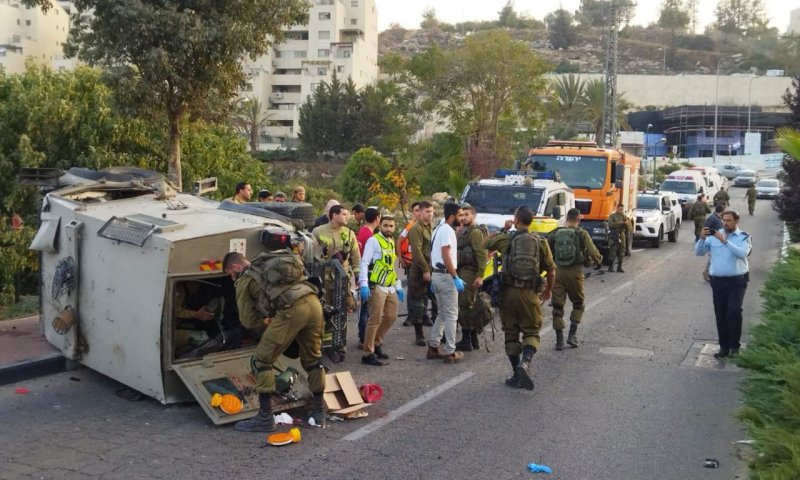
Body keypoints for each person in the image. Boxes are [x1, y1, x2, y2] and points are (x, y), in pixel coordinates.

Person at [222, 251, 326, 432]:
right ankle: (318, 412)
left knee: (262, 360)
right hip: (313, 303)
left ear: (236, 267)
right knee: (313, 359)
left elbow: (247, 320)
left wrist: (265, 323)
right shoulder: (267, 265)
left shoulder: (245, 280)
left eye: (230, 273)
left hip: (292, 310)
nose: (231, 278)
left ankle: (265, 417)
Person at [486, 206, 556, 390]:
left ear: (516, 220)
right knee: (531, 332)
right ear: (531, 221)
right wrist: (548, 290)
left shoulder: (506, 239)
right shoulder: (540, 242)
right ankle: (525, 362)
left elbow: (483, 244)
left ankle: (516, 375)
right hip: (529, 294)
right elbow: (551, 270)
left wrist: (503, 229)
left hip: (507, 293)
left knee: (511, 333)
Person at [694, 210, 751, 358]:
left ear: (736, 221)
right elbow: (699, 252)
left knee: (734, 311)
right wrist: (701, 238)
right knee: (721, 313)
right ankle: (724, 346)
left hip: (737, 280)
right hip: (718, 281)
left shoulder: (744, 237)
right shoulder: (714, 236)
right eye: (724, 220)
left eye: (729, 220)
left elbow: (743, 253)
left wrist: (725, 241)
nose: (725, 223)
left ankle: (735, 346)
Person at [547, 208, 602, 350]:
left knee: (557, 306)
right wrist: (598, 261)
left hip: (557, 272)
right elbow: (592, 250)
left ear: (567, 218)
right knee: (578, 303)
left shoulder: (556, 233)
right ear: (578, 219)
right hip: (575, 273)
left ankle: (559, 340)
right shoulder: (581, 233)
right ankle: (572, 335)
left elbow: (546, 251)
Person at [312, 204, 361, 359]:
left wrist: (358, 276)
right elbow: (311, 258)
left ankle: (340, 345)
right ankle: (325, 346)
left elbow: (355, 256)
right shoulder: (318, 232)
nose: (347, 217)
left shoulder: (349, 233)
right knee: (323, 313)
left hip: (342, 279)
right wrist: (326, 259)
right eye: (344, 214)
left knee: (341, 312)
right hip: (324, 280)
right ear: (334, 215)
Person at [358, 215, 404, 366]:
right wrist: (364, 283)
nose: (388, 228)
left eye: (391, 226)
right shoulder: (374, 240)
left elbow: (390, 267)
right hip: (376, 285)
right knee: (375, 319)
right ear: (380, 226)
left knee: (391, 316)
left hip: (389, 286)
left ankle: (377, 343)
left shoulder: (391, 242)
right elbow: (364, 262)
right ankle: (367, 353)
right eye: (386, 225)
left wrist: (398, 286)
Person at [426, 202, 465, 364]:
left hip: (437, 274)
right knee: (451, 315)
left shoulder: (438, 229)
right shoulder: (447, 230)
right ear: (451, 217)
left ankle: (434, 347)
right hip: (446, 276)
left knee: (442, 313)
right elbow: (446, 255)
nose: (462, 218)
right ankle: (450, 351)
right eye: (460, 215)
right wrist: (455, 276)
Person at [454, 203, 488, 352]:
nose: (464, 217)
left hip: (470, 271)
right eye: (462, 215)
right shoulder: (464, 231)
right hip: (463, 270)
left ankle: (467, 339)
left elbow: (481, 255)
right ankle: (473, 339)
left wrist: (480, 275)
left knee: (465, 304)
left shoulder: (475, 232)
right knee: (468, 304)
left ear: (473, 216)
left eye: (467, 214)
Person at [407, 201, 435, 346]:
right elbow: (417, 252)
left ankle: (437, 333)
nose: (430, 214)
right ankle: (419, 335)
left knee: (432, 300)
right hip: (419, 270)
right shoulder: (416, 229)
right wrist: (425, 269)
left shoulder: (430, 227)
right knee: (417, 302)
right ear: (420, 212)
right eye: (427, 212)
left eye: (431, 211)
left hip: (431, 268)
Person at [356, 207, 381, 347]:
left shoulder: (364, 231)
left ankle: (364, 336)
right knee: (366, 309)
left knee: (366, 308)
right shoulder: (369, 235)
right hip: (367, 275)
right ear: (377, 218)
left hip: (364, 273)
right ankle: (363, 337)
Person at [702, 203, 726, 282]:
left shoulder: (718, 218)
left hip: (719, 241)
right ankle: (707, 272)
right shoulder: (712, 218)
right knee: (712, 256)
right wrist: (714, 233)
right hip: (713, 241)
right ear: (722, 211)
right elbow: (705, 229)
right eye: (724, 210)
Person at [607, 204, 627, 273]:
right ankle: (610, 267)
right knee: (613, 250)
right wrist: (620, 223)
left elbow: (628, 227)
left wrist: (626, 223)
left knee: (622, 250)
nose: (622, 211)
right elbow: (610, 224)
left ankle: (620, 267)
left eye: (622, 209)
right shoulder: (612, 216)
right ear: (617, 208)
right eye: (620, 209)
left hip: (621, 235)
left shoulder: (624, 216)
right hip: (614, 234)